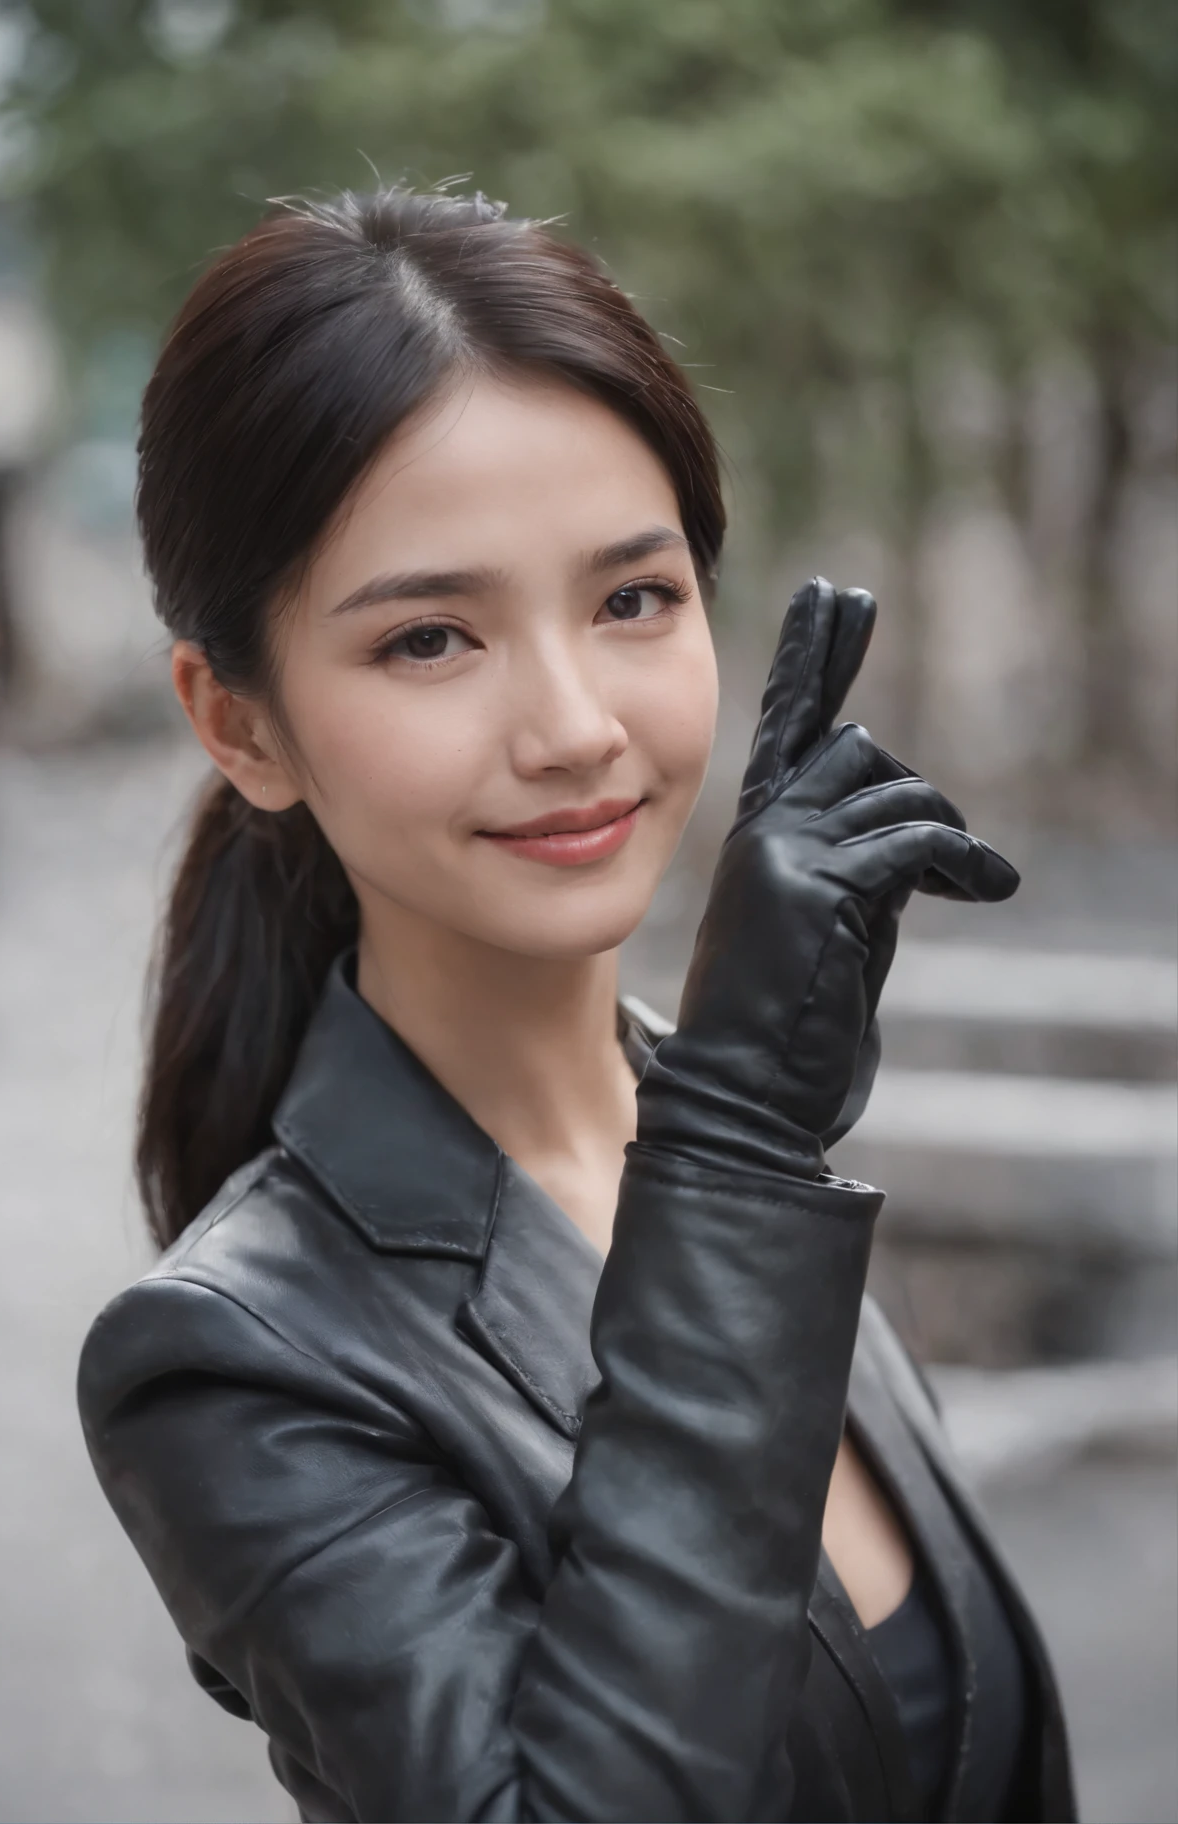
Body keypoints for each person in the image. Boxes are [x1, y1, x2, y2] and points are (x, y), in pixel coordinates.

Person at [78, 188, 1073, 1823]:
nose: (573, 727)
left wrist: (744, 1142)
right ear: (239, 724)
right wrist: (744, 1151)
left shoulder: (726, 1142)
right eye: (429, 638)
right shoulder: (226, 1363)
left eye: (631, 599)